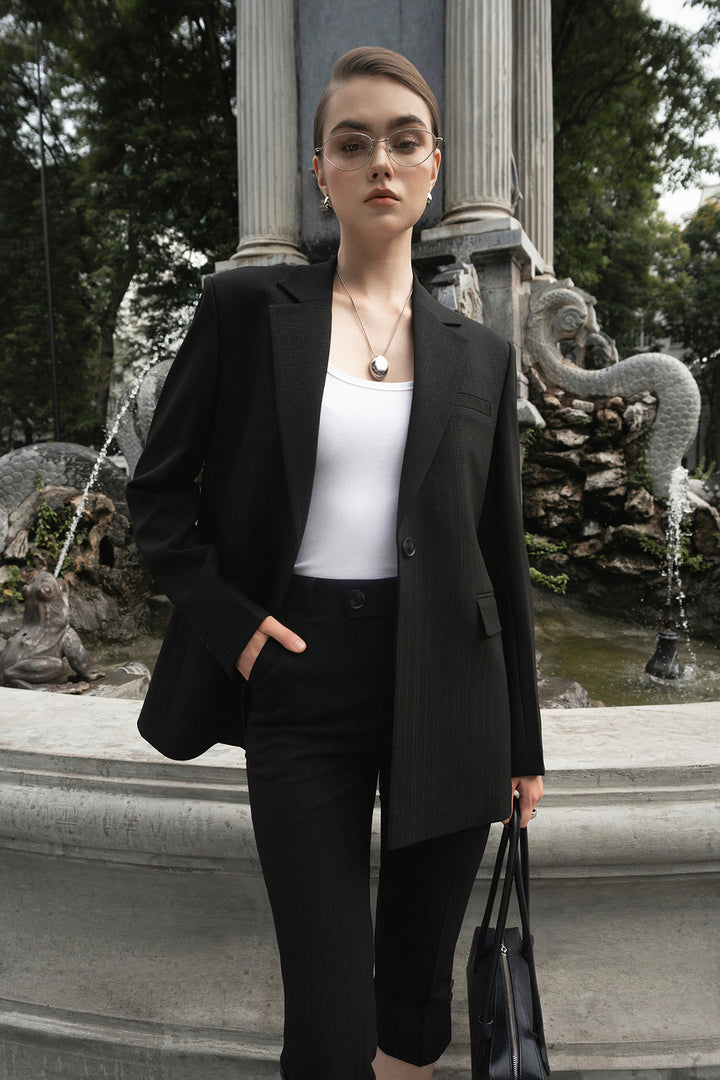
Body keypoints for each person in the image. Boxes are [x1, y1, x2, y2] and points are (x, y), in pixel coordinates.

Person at [127, 46, 544, 1080]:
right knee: (325, 1020)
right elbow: (157, 496)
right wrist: (237, 631)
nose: (379, 163)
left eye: (404, 141)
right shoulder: (246, 311)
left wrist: (523, 741)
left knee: (414, 1004)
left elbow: (500, 555)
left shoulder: (481, 354)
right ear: (321, 171)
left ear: (435, 164)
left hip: (452, 684)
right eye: (353, 144)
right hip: (299, 674)